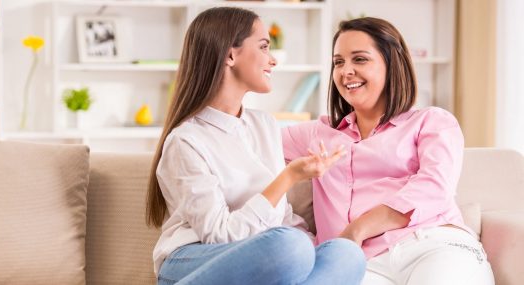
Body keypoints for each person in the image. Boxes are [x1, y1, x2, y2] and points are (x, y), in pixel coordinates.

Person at [145, 7, 366, 285]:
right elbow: (219, 235)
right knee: (290, 246)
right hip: (193, 259)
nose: (272, 60)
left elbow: (282, 219)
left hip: (262, 257)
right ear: (230, 55)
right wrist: (288, 178)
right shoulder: (186, 141)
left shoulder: (265, 125)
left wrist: (313, 251)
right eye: (263, 47)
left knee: (345, 253)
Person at [282, 17, 494, 284]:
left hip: (433, 244)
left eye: (359, 59)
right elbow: (244, 137)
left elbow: (435, 187)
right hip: (360, 264)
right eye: (338, 62)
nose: (346, 71)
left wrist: (357, 229)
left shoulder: (431, 122)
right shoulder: (317, 134)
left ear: (391, 64)